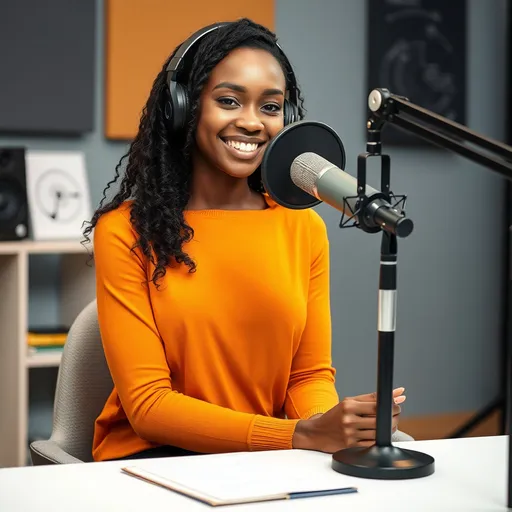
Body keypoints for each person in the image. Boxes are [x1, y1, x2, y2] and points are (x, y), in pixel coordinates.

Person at [84, 18, 405, 462]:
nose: (252, 122)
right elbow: (148, 407)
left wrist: (331, 425)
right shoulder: (125, 231)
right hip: (152, 458)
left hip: (264, 458)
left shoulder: (303, 228)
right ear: (184, 107)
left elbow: (308, 376)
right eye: (229, 100)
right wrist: (300, 436)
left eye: (270, 107)